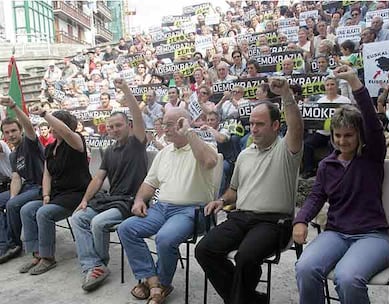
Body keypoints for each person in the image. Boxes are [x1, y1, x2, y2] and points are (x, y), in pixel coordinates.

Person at [195, 76, 304, 304]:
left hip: (274, 222)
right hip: (241, 217)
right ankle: (250, 300)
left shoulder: (286, 150)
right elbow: (233, 190)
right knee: (204, 249)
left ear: (275, 125)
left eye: (260, 124)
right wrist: (220, 200)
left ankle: (242, 300)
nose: (253, 129)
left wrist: (286, 94)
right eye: (252, 123)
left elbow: (296, 126)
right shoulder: (244, 155)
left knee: (246, 257)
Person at [294, 65, 389, 304]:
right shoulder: (327, 165)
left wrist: (355, 84)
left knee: (347, 278)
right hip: (336, 233)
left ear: (359, 135)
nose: (342, 140)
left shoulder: (372, 156)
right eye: (337, 135)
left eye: (348, 135)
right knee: (304, 268)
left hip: (373, 236)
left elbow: (371, 121)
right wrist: (301, 220)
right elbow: (316, 197)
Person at [118, 107, 218, 303]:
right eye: (164, 124)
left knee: (164, 238)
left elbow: (209, 161)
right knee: (126, 228)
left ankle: (162, 283)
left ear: (186, 124)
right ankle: (154, 281)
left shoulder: (202, 147)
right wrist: (139, 200)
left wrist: (189, 132)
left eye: (172, 124)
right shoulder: (164, 153)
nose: (166, 128)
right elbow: (149, 183)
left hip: (192, 210)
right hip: (162, 208)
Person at [71, 78, 148, 291]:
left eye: (118, 125)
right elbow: (98, 179)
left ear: (128, 126)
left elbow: (138, 115)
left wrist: (125, 90)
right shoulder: (109, 151)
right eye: (111, 126)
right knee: (77, 217)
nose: (114, 129)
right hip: (111, 200)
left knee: (97, 223)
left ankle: (99, 264)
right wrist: (85, 200)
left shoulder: (137, 143)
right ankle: (93, 265)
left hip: (131, 201)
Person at [18, 108, 91, 275]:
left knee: (44, 213)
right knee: (26, 209)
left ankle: (47, 257)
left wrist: (45, 115)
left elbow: (66, 132)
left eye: (53, 124)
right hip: (56, 194)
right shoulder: (50, 148)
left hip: (76, 194)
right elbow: (47, 174)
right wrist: (46, 194)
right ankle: (36, 253)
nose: (51, 128)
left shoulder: (76, 141)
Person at [0, 97, 45, 264]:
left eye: (13, 131)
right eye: (7, 132)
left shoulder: (30, 143)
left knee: (12, 205)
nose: (11, 135)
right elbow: (16, 178)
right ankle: (4, 243)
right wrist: (13, 196)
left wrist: (13, 106)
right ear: (4, 135)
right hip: (27, 188)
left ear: (20, 131)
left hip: (41, 187)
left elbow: (28, 125)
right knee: (6, 201)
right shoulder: (12, 155)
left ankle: (14, 244)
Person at [302, 75, 352, 179]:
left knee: (332, 145)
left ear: (336, 86)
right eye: (328, 85)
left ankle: (332, 171)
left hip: (337, 133)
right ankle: (309, 169)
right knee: (307, 144)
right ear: (325, 87)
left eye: (332, 84)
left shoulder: (345, 100)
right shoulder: (320, 101)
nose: (330, 87)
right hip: (322, 132)